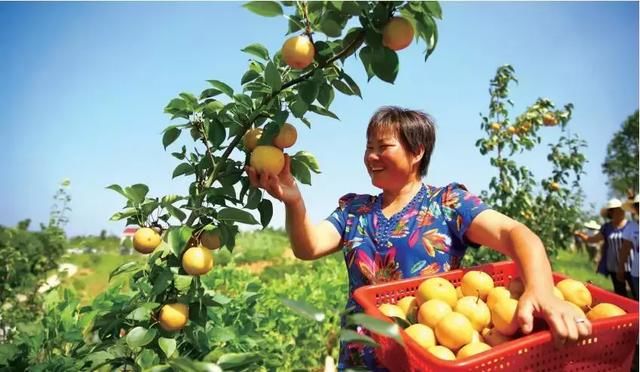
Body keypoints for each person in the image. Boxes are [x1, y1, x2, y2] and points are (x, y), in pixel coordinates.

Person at [246, 106, 592, 370]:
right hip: (362, 355)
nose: (371, 156)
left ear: (417, 151)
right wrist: (293, 201)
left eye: (384, 146)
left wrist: (541, 289)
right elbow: (307, 246)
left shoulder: (448, 203)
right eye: (368, 147)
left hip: (429, 356)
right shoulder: (355, 210)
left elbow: (515, 233)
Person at [576, 198, 631, 297]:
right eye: (616, 210)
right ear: (611, 213)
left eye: (621, 209)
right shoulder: (607, 227)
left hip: (631, 265)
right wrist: (581, 236)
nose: (619, 212)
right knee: (620, 293)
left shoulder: (630, 226)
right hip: (614, 266)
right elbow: (593, 239)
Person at [618, 195, 639, 300]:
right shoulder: (631, 227)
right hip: (637, 272)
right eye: (637, 205)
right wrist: (620, 268)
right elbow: (625, 249)